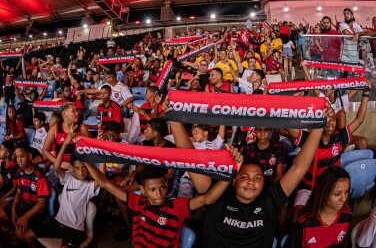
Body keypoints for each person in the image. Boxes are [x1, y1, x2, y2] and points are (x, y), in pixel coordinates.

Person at [167, 105, 329, 247]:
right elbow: (189, 157)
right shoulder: (215, 195)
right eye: (244, 177)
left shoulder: (270, 199)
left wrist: (319, 125)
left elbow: (299, 166)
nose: (251, 182)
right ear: (234, 180)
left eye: (257, 178)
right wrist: (174, 118)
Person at [83, 146, 243, 248]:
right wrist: (87, 162)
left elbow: (207, 199)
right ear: (143, 190)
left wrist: (231, 174)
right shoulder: (138, 202)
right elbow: (105, 183)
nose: (159, 193)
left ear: (167, 185)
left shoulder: (177, 206)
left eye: (162, 187)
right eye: (152, 190)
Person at [288, 86, 369, 221]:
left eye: (333, 119)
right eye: (327, 119)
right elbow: (288, 126)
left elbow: (359, 119)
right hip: (309, 189)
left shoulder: (340, 138)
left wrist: (366, 93)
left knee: (343, 215)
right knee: (296, 215)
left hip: (331, 189)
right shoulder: (310, 139)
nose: (331, 123)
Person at [21, 124, 104, 248]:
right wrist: (65, 143)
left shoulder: (89, 186)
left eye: (84, 168)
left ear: (88, 169)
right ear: (72, 168)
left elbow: (101, 177)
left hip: (73, 229)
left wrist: (102, 150)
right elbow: (57, 167)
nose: (81, 171)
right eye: (76, 168)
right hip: (56, 223)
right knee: (26, 236)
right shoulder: (68, 178)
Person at [283, 166, 352, 247]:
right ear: (323, 193)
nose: (343, 198)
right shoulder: (304, 223)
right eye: (337, 194)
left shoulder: (347, 216)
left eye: (346, 192)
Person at [0, 142, 50, 240]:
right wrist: (14, 209)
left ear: (30, 156)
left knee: (20, 233)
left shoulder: (39, 176)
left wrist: (25, 217)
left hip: (35, 211)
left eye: (22, 156)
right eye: (17, 157)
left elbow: (41, 205)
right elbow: (18, 193)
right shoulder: (19, 172)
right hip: (23, 206)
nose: (19, 161)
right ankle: (12, 236)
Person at [43, 103, 90, 170]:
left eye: (76, 111)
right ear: (64, 114)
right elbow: (45, 150)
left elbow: (90, 151)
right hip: (61, 167)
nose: (77, 113)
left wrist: (82, 142)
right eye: (73, 111)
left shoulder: (82, 129)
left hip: (79, 167)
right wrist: (59, 163)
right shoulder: (54, 129)